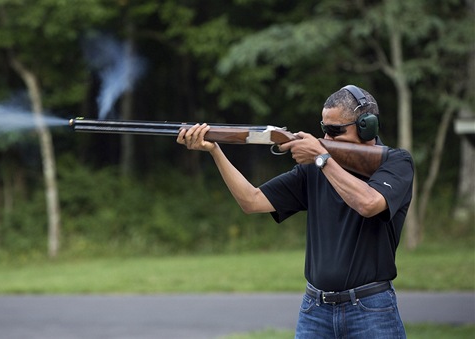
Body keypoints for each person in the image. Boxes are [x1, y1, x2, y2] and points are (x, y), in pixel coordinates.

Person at [177, 85, 414, 338]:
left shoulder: (395, 162)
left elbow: (369, 203)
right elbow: (251, 201)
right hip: (316, 309)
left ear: (368, 126)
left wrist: (322, 159)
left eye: (335, 131)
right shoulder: (314, 168)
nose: (326, 137)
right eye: (324, 129)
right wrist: (215, 150)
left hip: (371, 309)